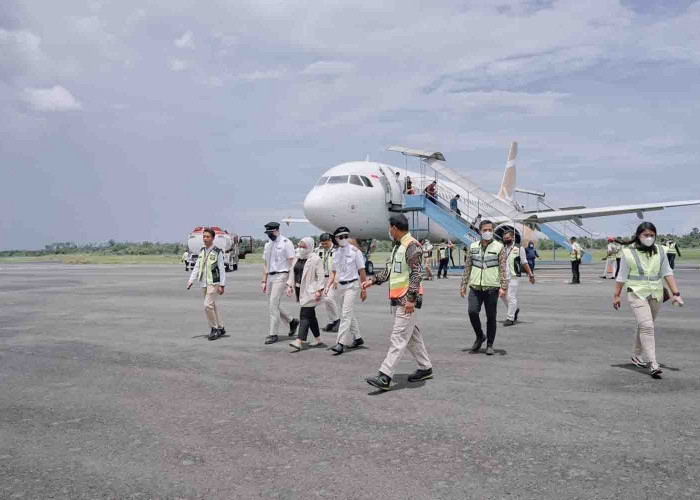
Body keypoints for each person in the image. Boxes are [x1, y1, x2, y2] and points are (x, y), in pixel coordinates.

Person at [363, 214, 433, 391]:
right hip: (397, 299)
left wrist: (411, 299)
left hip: (406, 301)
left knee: (398, 337)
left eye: (389, 228)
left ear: (394, 227)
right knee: (411, 337)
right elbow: (389, 271)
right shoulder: (398, 248)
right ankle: (425, 368)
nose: (388, 231)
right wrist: (372, 280)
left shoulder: (412, 246)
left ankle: (385, 375)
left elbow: (417, 274)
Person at [613, 222, 684, 379]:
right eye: (646, 235)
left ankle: (636, 355)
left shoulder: (661, 250)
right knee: (647, 326)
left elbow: (667, 273)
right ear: (639, 235)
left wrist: (676, 293)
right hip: (636, 293)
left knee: (645, 325)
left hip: (656, 294)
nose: (649, 238)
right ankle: (653, 363)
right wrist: (616, 295)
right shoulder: (628, 252)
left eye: (652, 235)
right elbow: (621, 276)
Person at [460, 220, 507, 355]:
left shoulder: (499, 247)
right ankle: (480, 335)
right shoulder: (473, 246)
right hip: (475, 287)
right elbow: (467, 267)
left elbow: (503, 269)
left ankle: (490, 344)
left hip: (491, 287)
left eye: (490, 230)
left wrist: (503, 286)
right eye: (485, 230)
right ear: (480, 231)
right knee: (472, 312)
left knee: (491, 317)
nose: (488, 232)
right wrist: (463, 285)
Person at [326, 227, 367, 355]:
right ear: (336, 239)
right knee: (329, 300)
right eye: (341, 237)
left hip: (352, 285)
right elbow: (333, 271)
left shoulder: (355, 252)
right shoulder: (336, 253)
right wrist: (328, 285)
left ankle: (340, 343)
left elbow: (362, 271)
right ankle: (358, 338)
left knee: (345, 313)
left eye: (346, 236)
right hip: (339, 285)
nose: (344, 239)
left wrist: (363, 289)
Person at [286, 237, 326, 352]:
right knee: (311, 317)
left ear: (310, 247)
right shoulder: (297, 257)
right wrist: (290, 286)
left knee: (304, 315)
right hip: (300, 290)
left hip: (311, 292)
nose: (301, 248)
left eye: (304, 246)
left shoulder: (315, 259)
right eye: (300, 246)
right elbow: (292, 272)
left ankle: (299, 341)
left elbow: (321, 276)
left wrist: (319, 290)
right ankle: (318, 339)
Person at [261, 222, 299, 345]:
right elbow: (265, 264)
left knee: (273, 303)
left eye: (271, 232)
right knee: (273, 304)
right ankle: (291, 321)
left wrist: (290, 281)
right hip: (270, 276)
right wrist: (264, 280)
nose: (269, 235)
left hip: (282, 275)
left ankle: (273, 334)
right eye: (267, 233)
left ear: (277, 230)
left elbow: (292, 263)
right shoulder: (268, 245)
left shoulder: (286, 243)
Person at [187, 227, 226, 341]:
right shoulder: (202, 251)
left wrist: (222, 285)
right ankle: (221, 327)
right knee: (212, 305)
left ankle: (214, 329)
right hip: (204, 282)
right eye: (204, 236)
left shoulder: (217, 252)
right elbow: (197, 266)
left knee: (207, 305)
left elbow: (222, 269)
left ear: (213, 238)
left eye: (208, 236)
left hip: (213, 282)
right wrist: (191, 280)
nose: (205, 238)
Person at [499, 230, 535, 326]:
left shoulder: (519, 248)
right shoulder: (502, 249)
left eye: (508, 238)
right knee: (502, 295)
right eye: (504, 238)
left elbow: (524, 262)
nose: (506, 240)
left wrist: (531, 274)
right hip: (503, 276)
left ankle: (510, 318)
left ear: (513, 238)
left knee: (511, 297)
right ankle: (514, 310)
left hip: (514, 276)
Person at [316, 233, 340, 332]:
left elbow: (340, 266)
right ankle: (331, 322)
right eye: (323, 244)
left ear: (331, 240)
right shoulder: (318, 250)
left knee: (328, 298)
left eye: (326, 243)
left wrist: (336, 279)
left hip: (333, 278)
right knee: (326, 301)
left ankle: (337, 320)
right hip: (322, 279)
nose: (324, 246)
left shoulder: (337, 251)